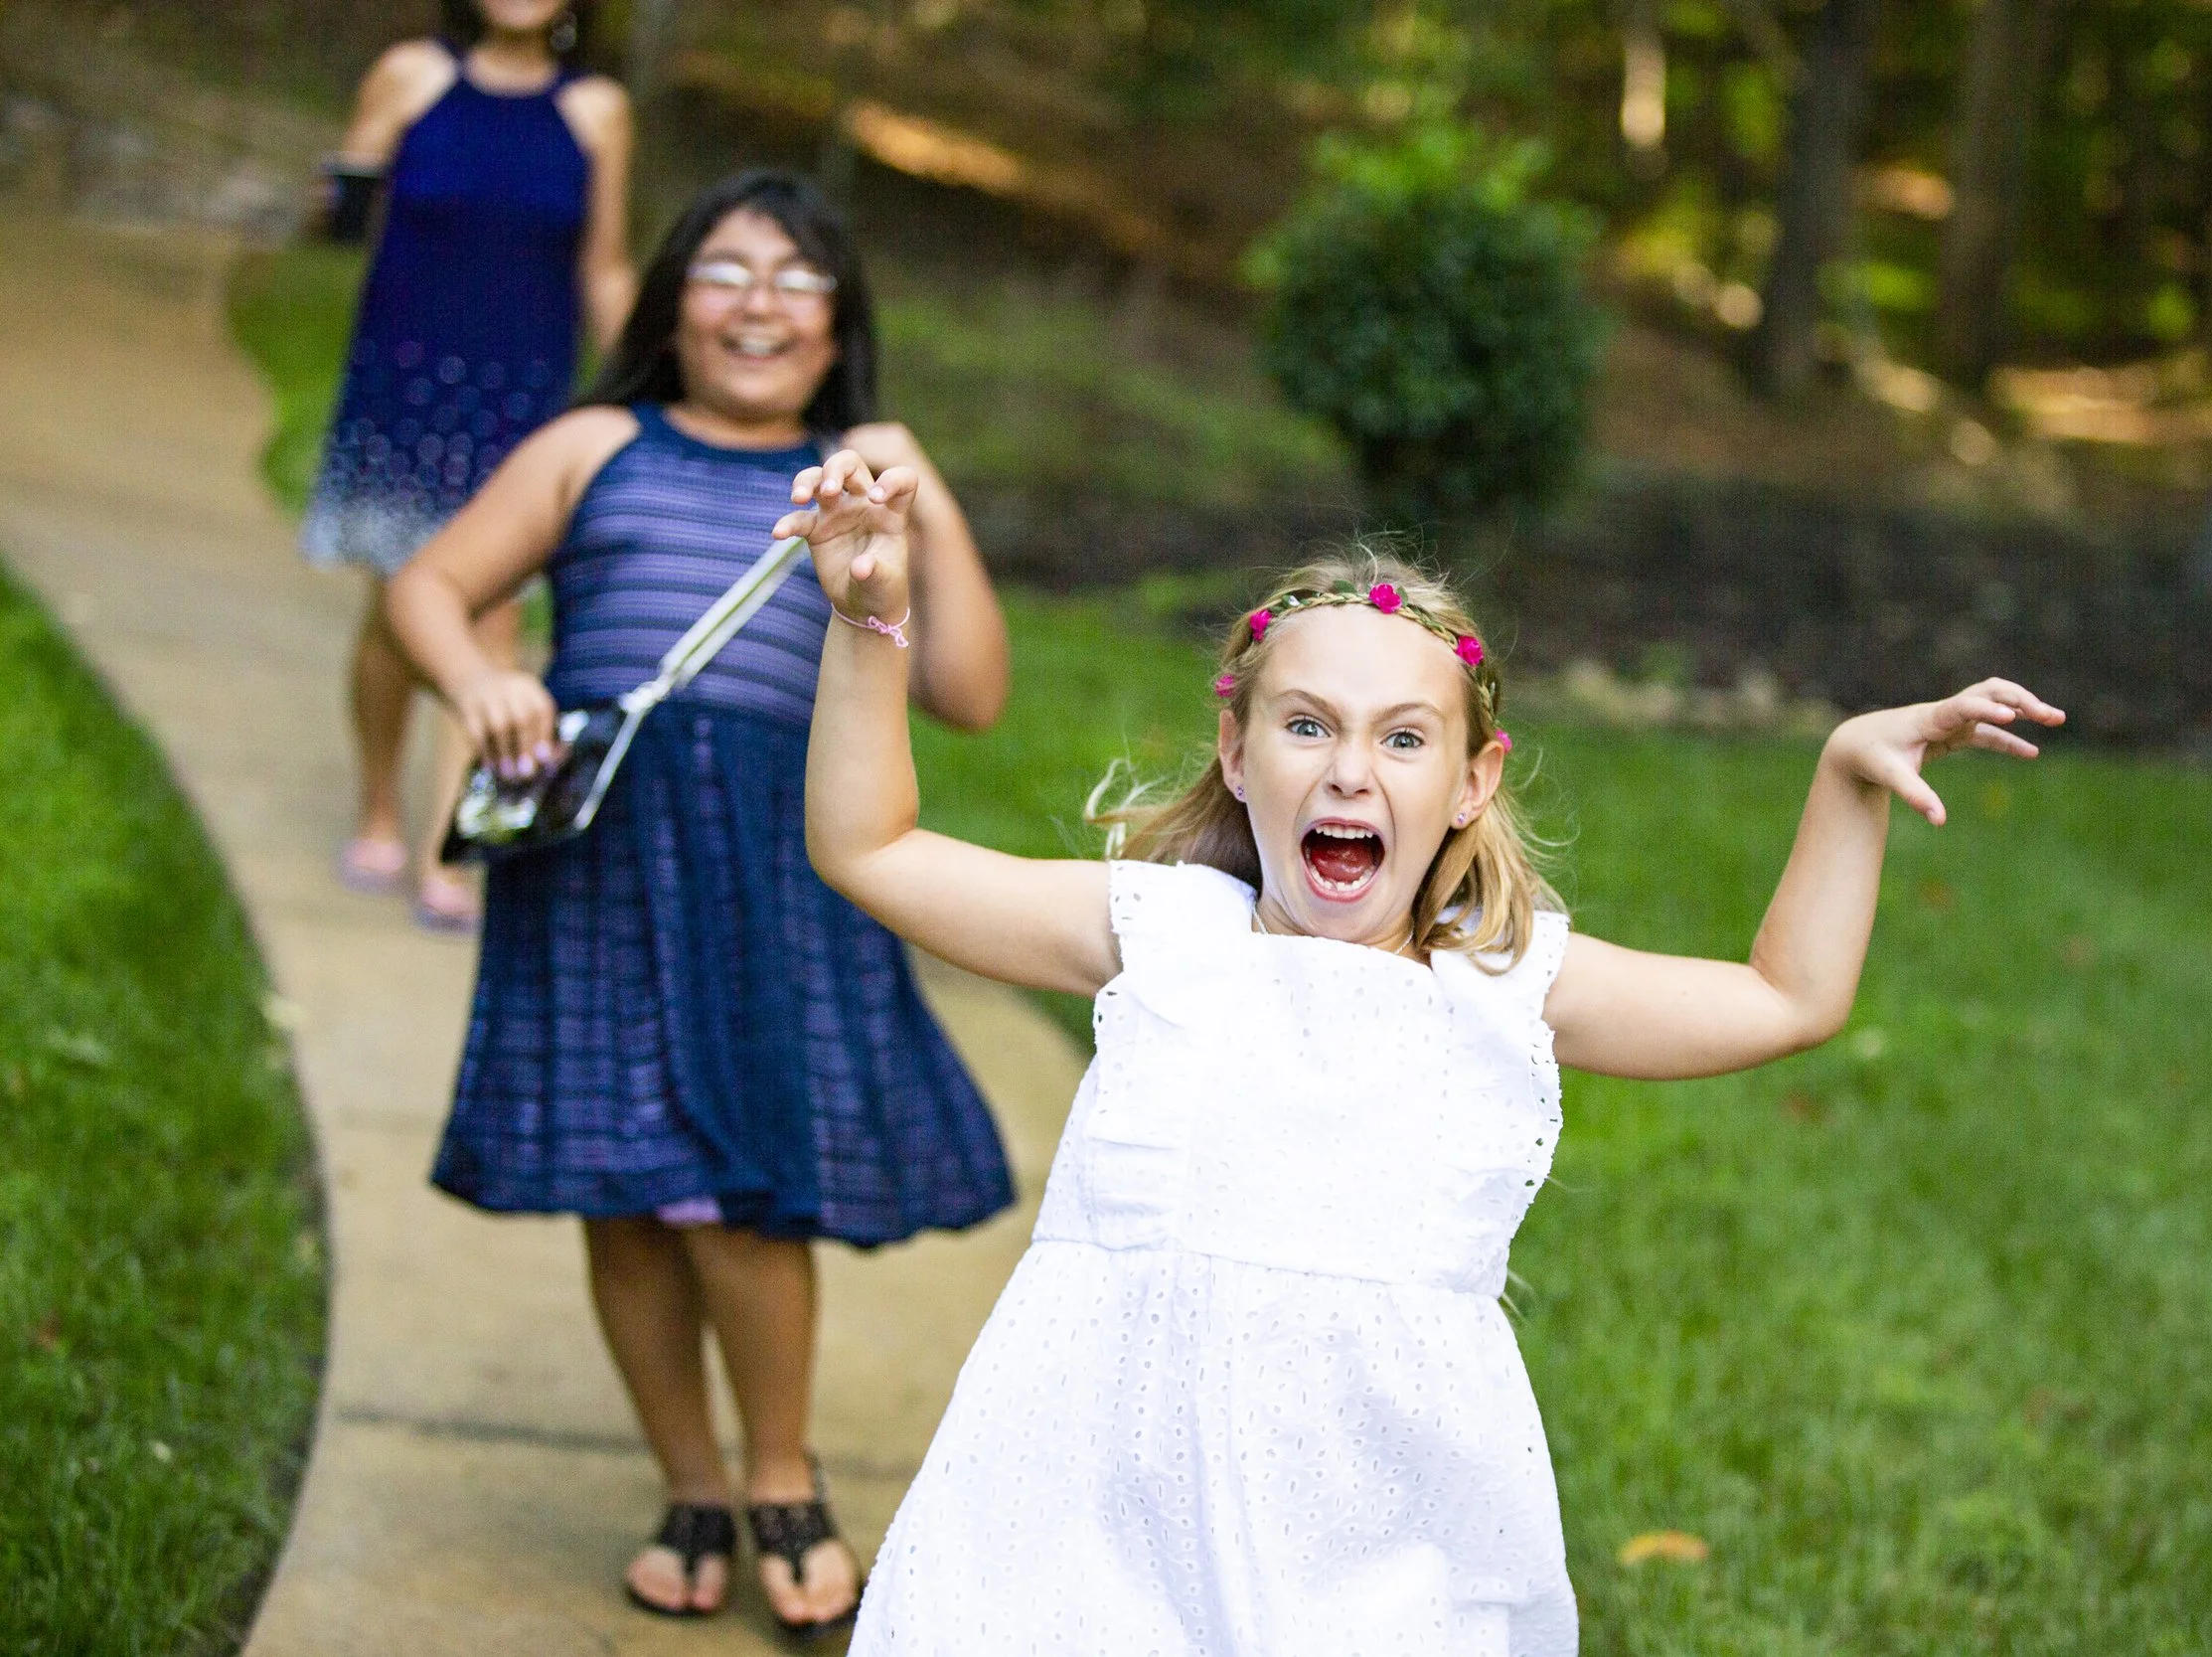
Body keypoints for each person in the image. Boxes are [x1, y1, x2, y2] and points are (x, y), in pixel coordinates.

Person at [747, 464, 2066, 1652]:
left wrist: (1845, 773)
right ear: (1237, 749)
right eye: (1308, 725)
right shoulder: (1161, 930)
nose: (1350, 770)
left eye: (1402, 736)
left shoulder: (1503, 987)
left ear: (1474, 780)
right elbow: (871, 847)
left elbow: (1786, 995)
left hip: (1371, 1542)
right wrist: (870, 620)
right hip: (1093, 1503)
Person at [386, 169, 1014, 1638]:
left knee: (741, 1185)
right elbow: (429, 583)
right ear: (671, 299)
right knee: (623, 1191)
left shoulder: (866, 473)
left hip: (782, 865)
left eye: (796, 279)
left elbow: (973, 689)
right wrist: (482, 674)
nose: (758, 302)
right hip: (598, 854)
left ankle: (781, 1474)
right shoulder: (594, 443)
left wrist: (915, 509)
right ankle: (692, 1480)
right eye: (725, 269)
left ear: (841, 321)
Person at [309, 0, 635, 930]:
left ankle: (443, 848)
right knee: (396, 613)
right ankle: (379, 801)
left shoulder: (597, 111)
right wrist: (350, 168)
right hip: (405, 389)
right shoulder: (410, 74)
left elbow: (604, 266)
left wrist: (642, 384)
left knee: (492, 624)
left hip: (521, 401)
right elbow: (336, 224)